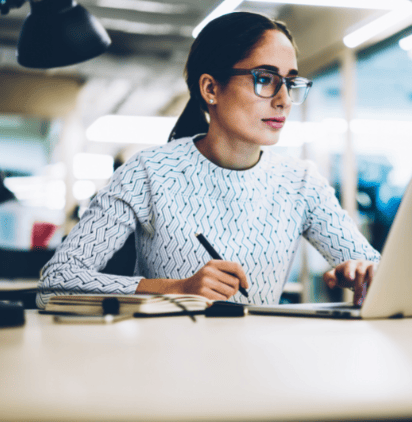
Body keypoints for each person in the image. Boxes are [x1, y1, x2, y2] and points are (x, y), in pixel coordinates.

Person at [37, 11, 380, 309]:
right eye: (265, 79)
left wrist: (364, 273)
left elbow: (378, 271)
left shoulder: (301, 182)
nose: (284, 99)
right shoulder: (148, 173)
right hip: (166, 363)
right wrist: (174, 289)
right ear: (210, 89)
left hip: (262, 367)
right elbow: (55, 282)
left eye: (290, 82)